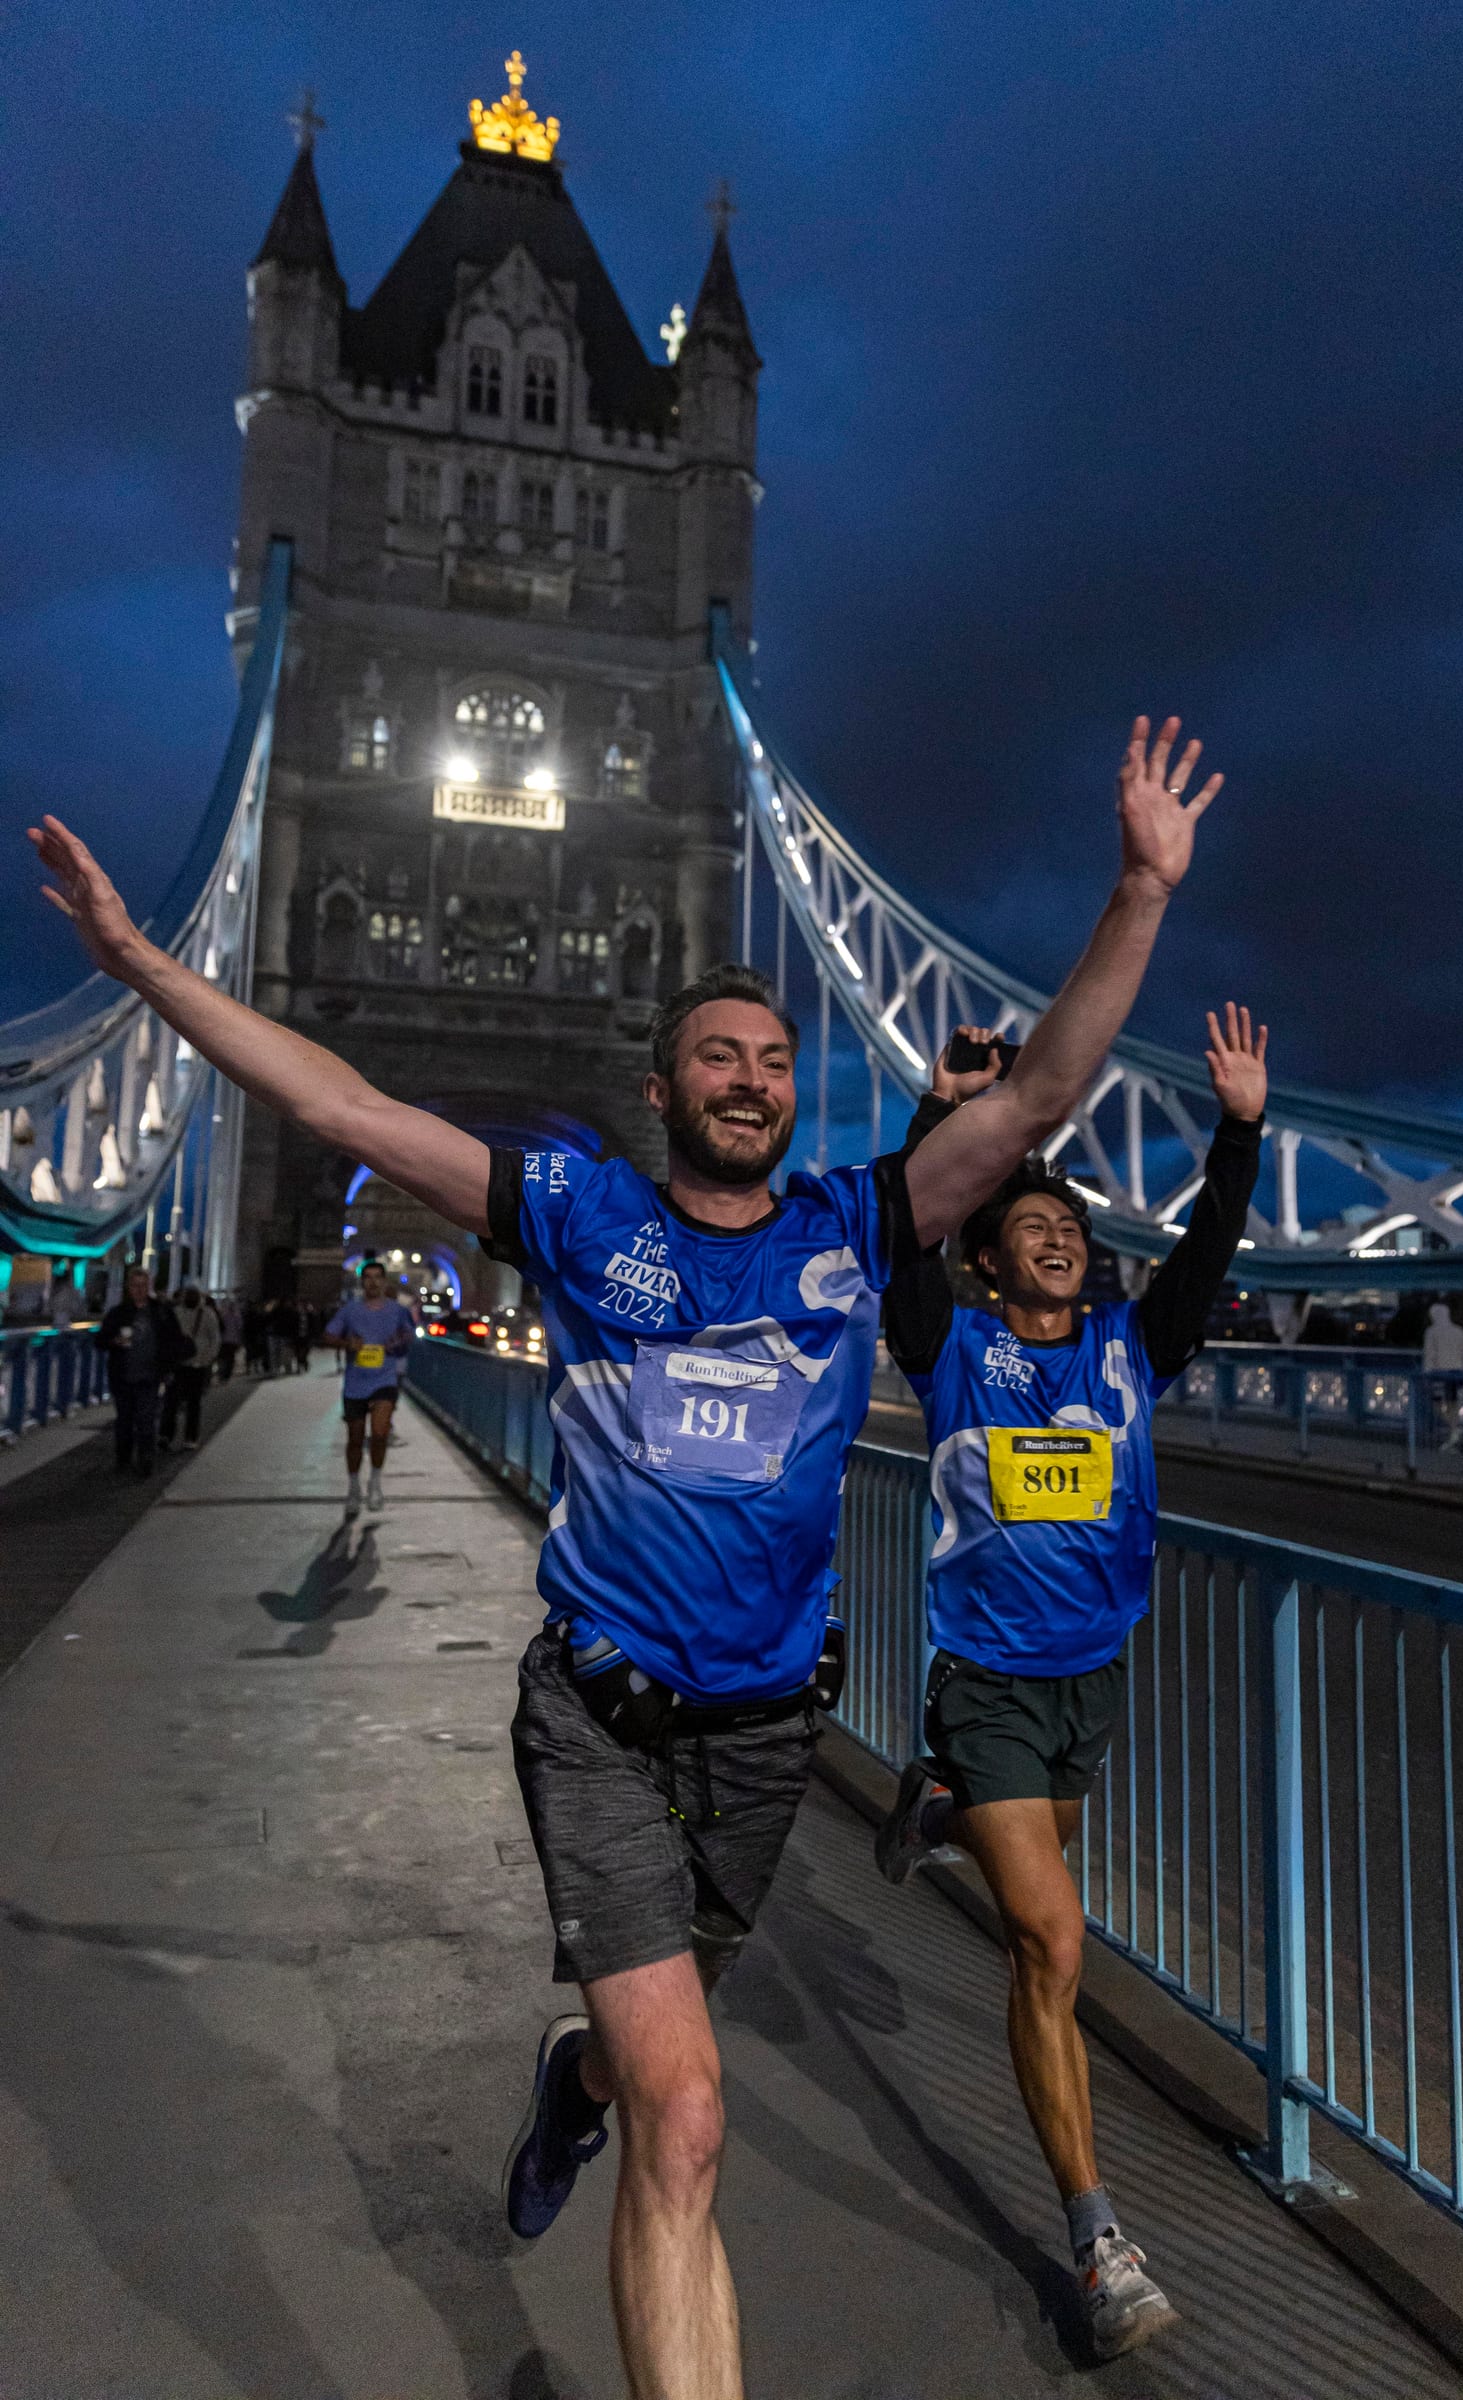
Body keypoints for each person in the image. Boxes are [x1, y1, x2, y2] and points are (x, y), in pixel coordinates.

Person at [29, 712, 1224, 2400]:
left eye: (774, 1059)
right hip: (594, 1718)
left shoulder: (854, 1225)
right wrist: (142, 959)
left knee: (635, 2069)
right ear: (661, 1092)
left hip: (764, 1739)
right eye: (718, 1057)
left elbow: (1043, 1088)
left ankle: (566, 2083)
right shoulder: (579, 1216)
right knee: (693, 2114)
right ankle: (612, 2099)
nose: (752, 1077)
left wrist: (1140, 892)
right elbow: (346, 1096)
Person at [872, 1002, 1267, 2362]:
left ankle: (931, 1807)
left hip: (1088, 1685)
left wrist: (1240, 1127)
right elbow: (903, 1234)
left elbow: (1209, 1250)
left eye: (1076, 1231)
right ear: (987, 1260)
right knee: (1050, 1941)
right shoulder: (954, 1351)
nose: (1061, 1239)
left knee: (1049, 1882)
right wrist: (943, 1114)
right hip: (984, 1681)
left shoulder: (1129, 1352)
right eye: (1031, 1227)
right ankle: (1098, 2242)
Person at [324, 1260, 414, 1515]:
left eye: (378, 1277)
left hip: (384, 1379)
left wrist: (399, 1339)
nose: (373, 1282)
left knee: (380, 1432)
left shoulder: (396, 1311)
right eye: (368, 1277)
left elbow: (410, 1333)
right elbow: (327, 1337)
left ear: (385, 1282)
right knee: (354, 1438)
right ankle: (354, 1487)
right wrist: (346, 1344)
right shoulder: (350, 1311)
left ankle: (375, 1482)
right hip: (355, 1383)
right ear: (362, 1282)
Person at [95, 1267, 191, 1476]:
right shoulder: (118, 1313)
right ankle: (123, 1458)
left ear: (150, 1286)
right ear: (129, 1288)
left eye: (143, 1285)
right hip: (123, 1376)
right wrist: (114, 1341)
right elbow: (100, 1340)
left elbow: (174, 1340)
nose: (139, 1290)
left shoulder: (161, 1312)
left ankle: (146, 1458)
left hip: (150, 1376)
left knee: (146, 1419)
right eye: (135, 1286)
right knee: (124, 1420)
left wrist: (170, 1368)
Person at [160, 1284, 222, 1451]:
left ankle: (190, 1436)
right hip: (179, 1363)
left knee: (192, 1403)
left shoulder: (207, 1314)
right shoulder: (177, 1312)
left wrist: (207, 1358)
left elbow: (215, 1338)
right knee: (172, 1401)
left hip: (198, 1364)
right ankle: (166, 1434)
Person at [1421, 1298, 1463, 1451]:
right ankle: (1454, 1432)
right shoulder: (1459, 1331)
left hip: (1439, 1373)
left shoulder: (1431, 1331)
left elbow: (1429, 1354)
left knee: (1437, 1404)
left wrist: (1426, 1373)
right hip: (1458, 1372)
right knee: (1453, 1403)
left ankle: (1453, 1430)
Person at [215, 1293, 243, 1382]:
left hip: (224, 1340)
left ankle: (222, 1373)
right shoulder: (237, 1317)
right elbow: (240, 1328)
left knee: (223, 1357)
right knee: (230, 1358)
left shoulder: (224, 1316)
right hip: (233, 1340)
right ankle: (226, 1374)